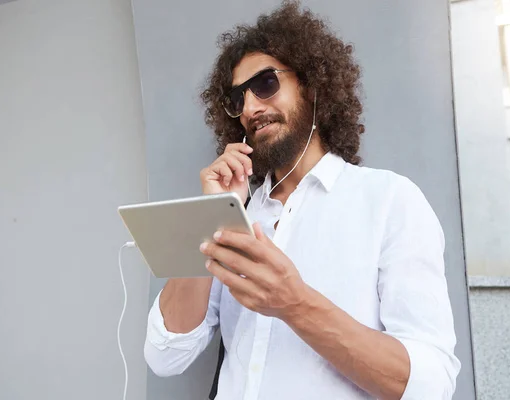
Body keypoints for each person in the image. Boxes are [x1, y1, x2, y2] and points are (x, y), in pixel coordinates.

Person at [144, 2, 461, 399]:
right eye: (238, 98)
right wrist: (211, 216)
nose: (251, 108)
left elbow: (429, 385)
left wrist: (295, 304)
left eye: (265, 84)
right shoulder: (234, 218)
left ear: (311, 84)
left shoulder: (389, 201)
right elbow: (165, 355)